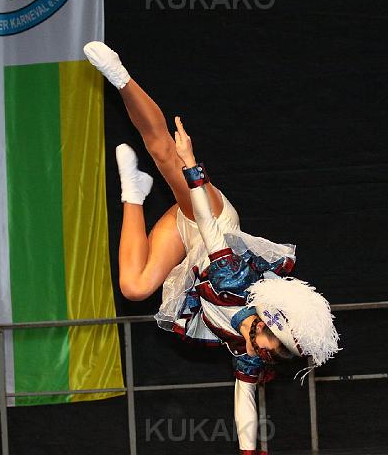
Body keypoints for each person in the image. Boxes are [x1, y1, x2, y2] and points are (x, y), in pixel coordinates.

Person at [84, 41, 340, 455]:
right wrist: (191, 167)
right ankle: (121, 77)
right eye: (269, 350)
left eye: (270, 356)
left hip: (190, 243)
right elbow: (206, 224)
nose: (262, 358)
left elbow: (246, 401)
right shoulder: (234, 280)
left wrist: (249, 452)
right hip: (212, 220)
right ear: (264, 327)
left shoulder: (249, 348)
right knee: (164, 153)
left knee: (134, 288)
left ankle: (133, 192)